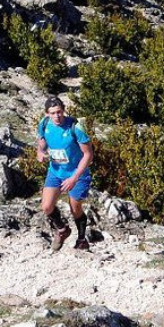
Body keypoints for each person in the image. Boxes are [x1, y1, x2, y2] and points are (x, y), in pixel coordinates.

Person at [36, 96, 94, 253]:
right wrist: (40, 151)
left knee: (75, 208)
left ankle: (82, 240)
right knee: (47, 206)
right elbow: (42, 141)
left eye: (59, 112)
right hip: (55, 171)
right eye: (53, 113)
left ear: (64, 110)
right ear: (47, 113)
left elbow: (88, 154)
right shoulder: (44, 123)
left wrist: (74, 178)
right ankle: (62, 230)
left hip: (77, 173)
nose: (57, 116)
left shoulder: (75, 127)